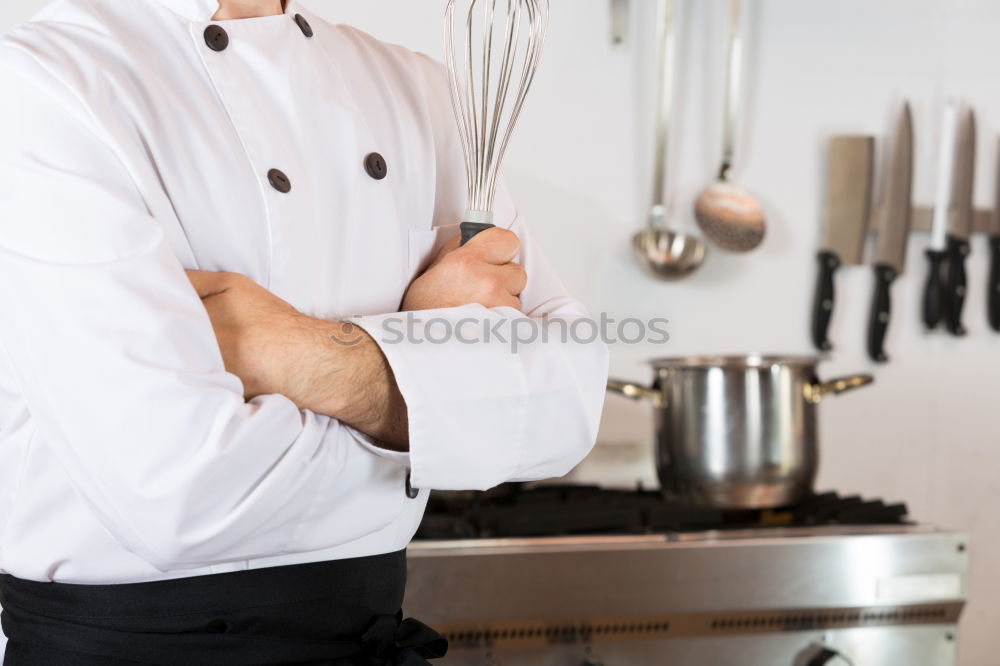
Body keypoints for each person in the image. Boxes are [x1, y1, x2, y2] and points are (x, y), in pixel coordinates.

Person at [0, 0, 609, 663]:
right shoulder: (41, 84)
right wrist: (440, 401)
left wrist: (309, 357)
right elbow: (180, 494)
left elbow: (566, 407)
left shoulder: (421, 90)